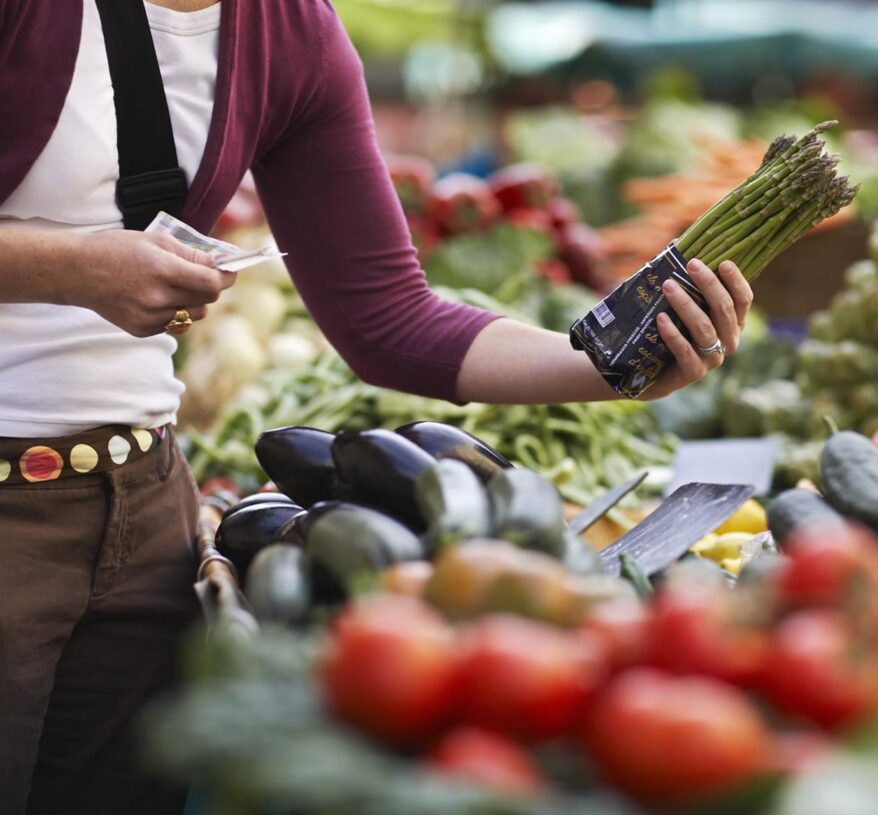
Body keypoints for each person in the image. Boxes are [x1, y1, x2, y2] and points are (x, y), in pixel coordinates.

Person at [0, 1, 753, 813]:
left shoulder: (289, 31)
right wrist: (75, 268)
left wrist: (614, 366)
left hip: (145, 513)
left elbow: (388, 316)